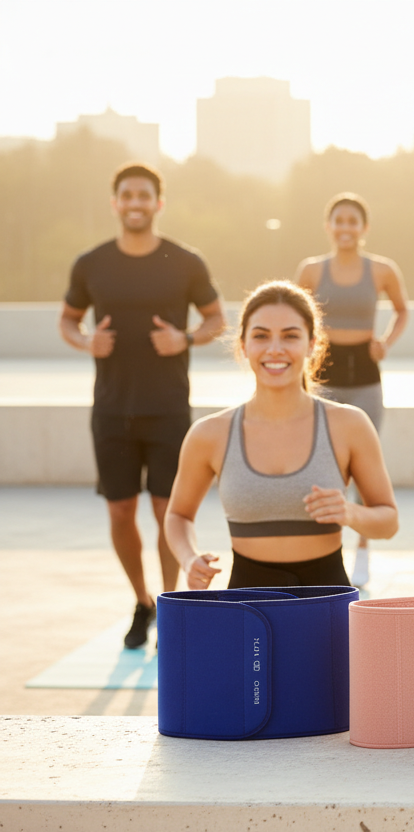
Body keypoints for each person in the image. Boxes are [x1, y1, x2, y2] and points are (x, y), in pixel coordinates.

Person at [59, 162, 225, 649]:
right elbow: (67, 321)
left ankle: (170, 604)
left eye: (144, 196)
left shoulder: (185, 261)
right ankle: (142, 601)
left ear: (158, 202)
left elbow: (217, 317)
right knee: (119, 512)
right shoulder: (91, 263)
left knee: (165, 510)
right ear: (116, 203)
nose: (135, 203)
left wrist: (187, 337)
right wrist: (85, 341)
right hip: (111, 410)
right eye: (126, 196)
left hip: (169, 408)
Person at [164, 281, 398, 590]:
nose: (275, 349)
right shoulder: (210, 434)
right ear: (243, 345)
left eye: (290, 336)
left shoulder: (349, 424)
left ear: (313, 344)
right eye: (261, 336)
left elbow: (388, 521)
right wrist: (188, 557)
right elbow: (178, 515)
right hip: (248, 606)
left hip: (326, 604)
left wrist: (350, 512)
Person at [295, 193, 408, 587]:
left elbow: (402, 309)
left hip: (365, 376)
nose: (345, 229)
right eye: (338, 221)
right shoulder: (311, 270)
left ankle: (363, 551)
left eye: (353, 222)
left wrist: (386, 342)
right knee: (319, 465)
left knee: (363, 470)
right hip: (322, 375)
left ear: (364, 228)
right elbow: (294, 316)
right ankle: (324, 549)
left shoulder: (381, 270)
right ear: (328, 226)